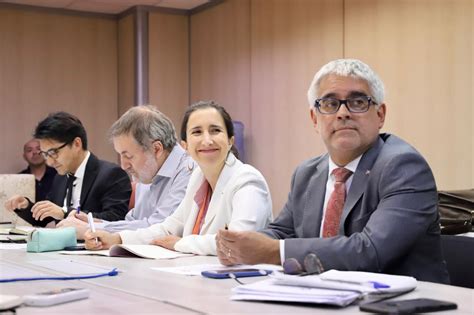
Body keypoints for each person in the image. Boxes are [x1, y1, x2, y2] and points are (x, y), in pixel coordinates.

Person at [216, 59, 450, 284]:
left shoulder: (404, 167)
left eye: (358, 102)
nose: (343, 113)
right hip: (324, 298)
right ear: (314, 119)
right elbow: (282, 231)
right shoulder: (307, 173)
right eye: (329, 104)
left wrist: (274, 252)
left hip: (404, 305)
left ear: (380, 115)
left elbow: (371, 251)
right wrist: (239, 246)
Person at [84, 101, 273, 255]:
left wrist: (180, 244)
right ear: (185, 146)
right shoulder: (198, 177)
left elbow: (237, 241)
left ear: (230, 140)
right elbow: (168, 228)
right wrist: (117, 239)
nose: (207, 140)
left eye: (215, 130)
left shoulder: (247, 180)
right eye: (197, 132)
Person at [58, 105, 193, 239]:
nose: (123, 166)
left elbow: (160, 228)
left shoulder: (189, 171)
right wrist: (95, 223)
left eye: (128, 156)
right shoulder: (148, 170)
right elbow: (134, 222)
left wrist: (92, 229)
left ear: (156, 149)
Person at [4, 112, 131, 227]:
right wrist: (25, 206)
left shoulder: (111, 174)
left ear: (76, 144)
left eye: (53, 152)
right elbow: (45, 217)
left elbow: (116, 220)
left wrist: (64, 212)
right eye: (45, 154)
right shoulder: (60, 177)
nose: (49, 161)